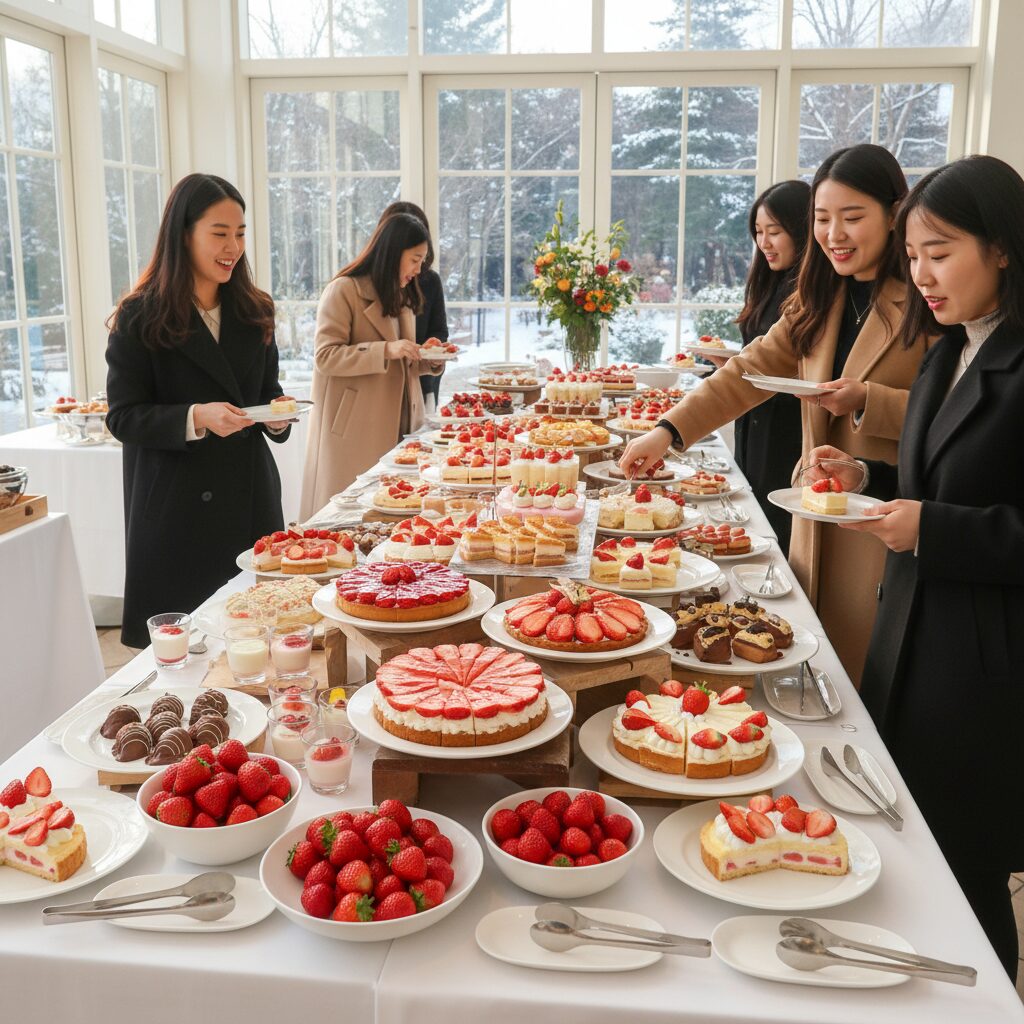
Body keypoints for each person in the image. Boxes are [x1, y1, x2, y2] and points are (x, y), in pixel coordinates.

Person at [807, 155, 1024, 978]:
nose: (921, 275)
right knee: (910, 851)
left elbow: (968, 515)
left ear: (1002, 247)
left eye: (941, 252)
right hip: (907, 642)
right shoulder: (948, 348)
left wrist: (934, 528)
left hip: (983, 667)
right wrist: (867, 479)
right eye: (913, 256)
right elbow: (938, 480)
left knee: (965, 877)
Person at [618, 144, 930, 684]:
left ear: (894, 213)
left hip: (882, 520)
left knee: (862, 673)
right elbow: (745, 372)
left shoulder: (925, 302)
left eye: (853, 217)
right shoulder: (819, 298)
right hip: (813, 513)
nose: (834, 235)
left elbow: (945, 416)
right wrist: (668, 430)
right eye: (822, 219)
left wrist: (868, 402)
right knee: (804, 657)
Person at [106, 173, 292, 649]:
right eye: (219, 233)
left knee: (262, 638)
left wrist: (276, 414)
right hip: (177, 510)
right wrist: (196, 416)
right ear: (183, 233)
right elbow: (123, 416)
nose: (233, 246)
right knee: (182, 655)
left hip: (249, 500)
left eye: (241, 233)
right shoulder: (139, 316)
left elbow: (267, 392)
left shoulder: (255, 310)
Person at [300, 213, 444, 518]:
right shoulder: (343, 291)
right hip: (355, 430)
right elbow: (325, 357)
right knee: (346, 519)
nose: (419, 270)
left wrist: (429, 360)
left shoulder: (400, 293)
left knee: (390, 519)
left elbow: (401, 360)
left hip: (401, 425)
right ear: (393, 252)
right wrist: (385, 350)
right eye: (415, 259)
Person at [732, 180, 810, 550]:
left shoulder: (809, 294)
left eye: (774, 231)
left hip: (786, 433)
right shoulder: (768, 283)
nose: (764, 242)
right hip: (754, 421)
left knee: (774, 533)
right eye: (759, 232)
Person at [377, 201, 450, 410]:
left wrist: (430, 352)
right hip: (382, 391)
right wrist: (391, 350)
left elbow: (439, 330)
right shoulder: (359, 286)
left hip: (422, 383)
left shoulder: (429, 281)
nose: (415, 270)